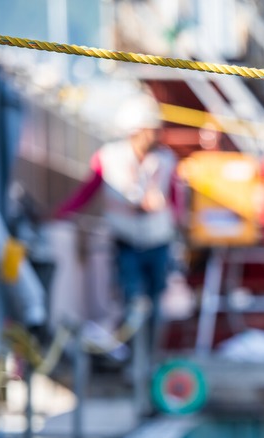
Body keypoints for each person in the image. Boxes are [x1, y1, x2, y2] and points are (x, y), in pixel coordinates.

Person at [55, 92, 180, 343]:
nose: (158, 135)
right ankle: (132, 351)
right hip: (126, 242)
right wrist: (60, 214)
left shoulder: (166, 160)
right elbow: (87, 191)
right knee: (130, 297)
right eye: (153, 129)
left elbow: (175, 199)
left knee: (156, 300)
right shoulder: (109, 157)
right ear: (137, 130)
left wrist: (174, 221)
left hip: (159, 241)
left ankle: (150, 352)